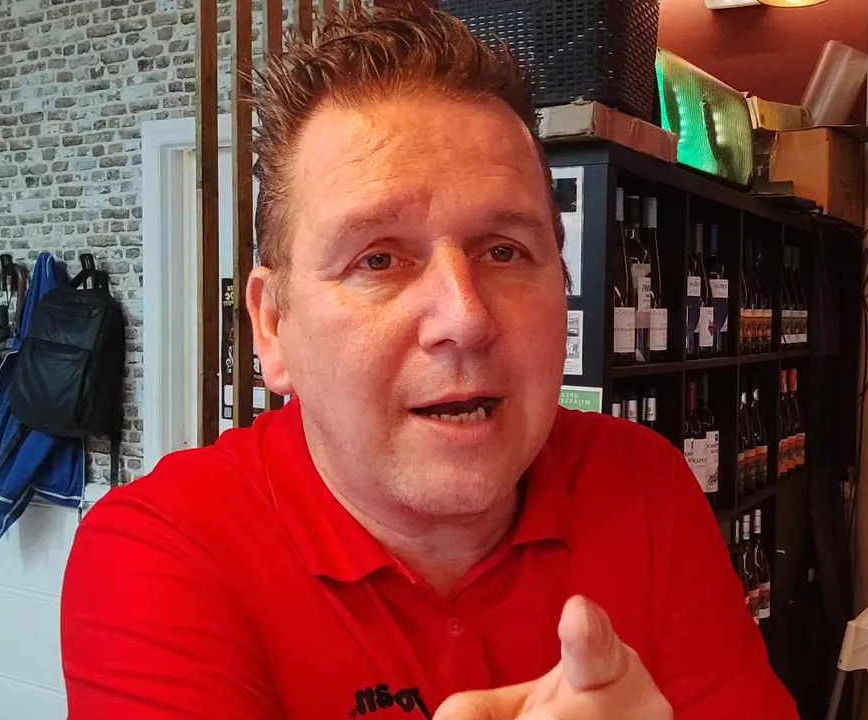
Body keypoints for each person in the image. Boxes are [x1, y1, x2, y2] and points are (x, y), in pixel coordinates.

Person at [59, 4, 798, 719]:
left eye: (504, 252)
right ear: (274, 327)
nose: (465, 318)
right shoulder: (160, 552)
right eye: (378, 260)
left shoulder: (644, 484)